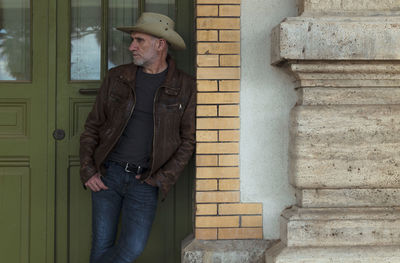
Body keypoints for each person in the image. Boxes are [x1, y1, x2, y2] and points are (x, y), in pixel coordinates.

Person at [79, 12, 196, 263]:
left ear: (160, 44)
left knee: (131, 248)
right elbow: (93, 126)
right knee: (101, 246)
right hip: (108, 174)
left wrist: (161, 179)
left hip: (145, 182)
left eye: (139, 40)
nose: (132, 47)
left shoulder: (185, 87)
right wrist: (88, 169)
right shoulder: (117, 77)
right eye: (132, 40)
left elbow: (188, 141)